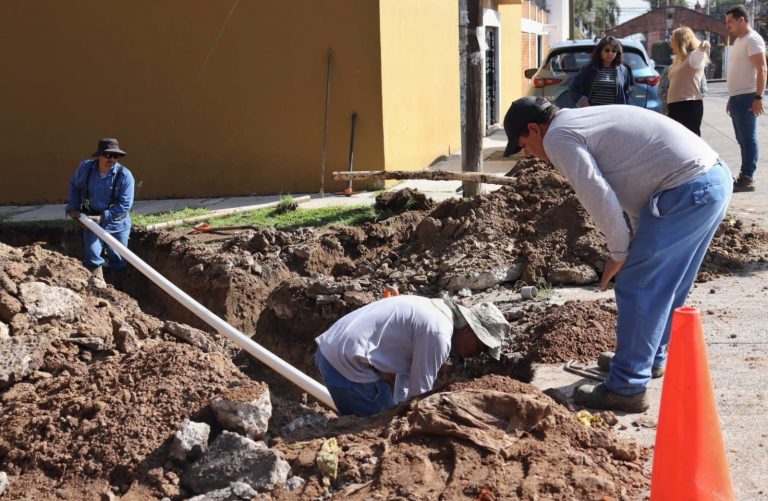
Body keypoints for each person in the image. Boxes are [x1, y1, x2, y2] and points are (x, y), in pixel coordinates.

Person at [502, 96, 732, 413]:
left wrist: (619, 252)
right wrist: (631, 245)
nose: (529, 155)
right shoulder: (580, 121)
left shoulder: (558, 136)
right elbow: (637, 197)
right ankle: (647, 359)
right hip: (709, 180)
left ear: (534, 129)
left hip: (686, 189)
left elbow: (597, 193)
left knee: (638, 286)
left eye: (524, 145)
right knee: (667, 284)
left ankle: (627, 387)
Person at [314, 295, 510, 417]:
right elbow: (419, 395)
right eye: (481, 347)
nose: (477, 355)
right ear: (469, 330)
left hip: (331, 352)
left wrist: (400, 409)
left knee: (389, 412)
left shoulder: (434, 313)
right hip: (346, 365)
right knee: (380, 426)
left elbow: (407, 382)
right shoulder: (438, 335)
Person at [66, 138, 135, 288]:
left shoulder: (125, 176)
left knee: (118, 256)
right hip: (92, 219)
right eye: (108, 155)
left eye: (115, 156)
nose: (112, 159)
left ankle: (120, 287)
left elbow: (124, 204)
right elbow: (74, 186)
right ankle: (98, 287)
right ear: (99, 155)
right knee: (92, 253)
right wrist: (73, 206)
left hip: (118, 222)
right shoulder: (86, 169)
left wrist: (104, 217)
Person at [725, 5, 767, 192]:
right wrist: (731, 96)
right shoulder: (739, 41)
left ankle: (747, 177)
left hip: (748, 97)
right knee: (742, 139)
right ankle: (744, 175)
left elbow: (762, 69)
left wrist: (758, 97)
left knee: (748, 139)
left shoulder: (753, 39)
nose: (727, 26)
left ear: (741, 19)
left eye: (730, 22)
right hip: (737, 98)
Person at [666, 27, 710, 136]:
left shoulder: (693, 57)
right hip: (675, 106)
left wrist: (704, 44)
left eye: (673, 41)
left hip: (689, 105)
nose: (671, 45)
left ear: (681, 42)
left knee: (690, 139)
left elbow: (703, 47)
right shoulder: (678, 61)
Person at [569, 36, 633, 107]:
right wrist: (583, 102)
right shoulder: (589, 69)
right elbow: (573, 87)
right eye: (607, 50)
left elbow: (627, 92)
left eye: (614, 51)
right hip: (593, 113)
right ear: (600, 51)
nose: (610, 53)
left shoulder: (623, 70)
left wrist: (627, 108)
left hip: (615, 113)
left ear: (617, 53)